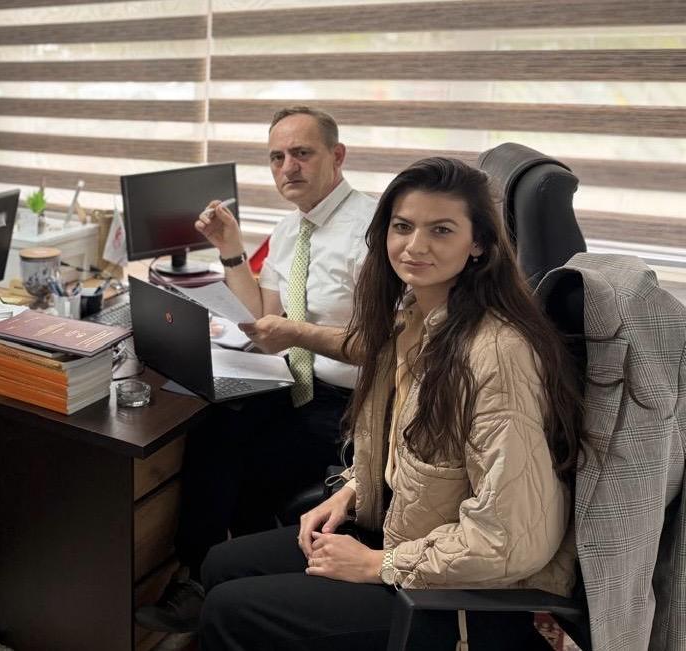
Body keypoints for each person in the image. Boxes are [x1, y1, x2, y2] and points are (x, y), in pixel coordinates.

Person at [197, 158, 586, 650]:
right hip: (407, 531)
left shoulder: (497, 355)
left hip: (458, 597)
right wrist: (351, 490)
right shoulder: (415, 318)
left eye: (441, 230)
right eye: (403, 227)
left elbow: (512, 539)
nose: (415, 246)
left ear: (478, 244)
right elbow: (410, 446)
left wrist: (376, 564)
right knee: (222, 564)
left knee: (230, 610)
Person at [137, 106, 376, 632]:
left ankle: (237, 589)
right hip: (292, 382)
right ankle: (201, 575)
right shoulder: (291, 228)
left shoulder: (372, 231)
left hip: (349, 405)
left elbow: (384, 347)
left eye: (302, 153)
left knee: (247, 466)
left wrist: (296, 333)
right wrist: (230, 250)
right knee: (212, 428)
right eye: (276, 157)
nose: (288, 167)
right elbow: (263, 316)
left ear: (337, 156)